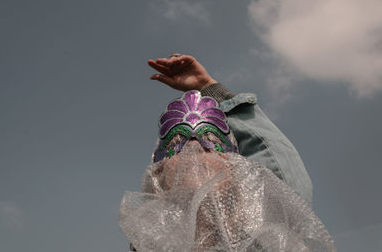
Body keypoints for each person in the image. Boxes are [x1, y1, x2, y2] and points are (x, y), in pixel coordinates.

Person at [118, 54, 335, 251]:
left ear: (235, 167)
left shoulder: (266, 236)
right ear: (159, 173)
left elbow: (277, 168)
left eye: (210, 143)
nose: (194, 148)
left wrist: (209, 88)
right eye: (179, 143)